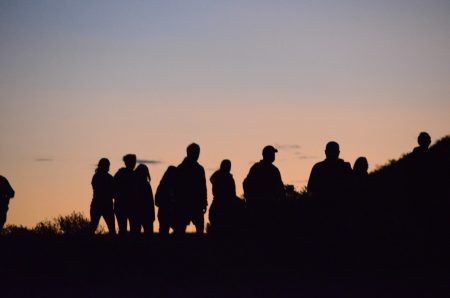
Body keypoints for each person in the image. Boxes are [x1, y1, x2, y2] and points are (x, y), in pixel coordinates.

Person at [243, 145, 286, 232]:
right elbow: (280, 189)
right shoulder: (273, 170)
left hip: (260, 207)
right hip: (267, 208)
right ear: (267, 155)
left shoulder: (256, 168)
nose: (274, 156)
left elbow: (246, 184)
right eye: (272, 153)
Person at [174, 143, 207, 234]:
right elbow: (176, 187)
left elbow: (203, 187)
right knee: (181, 228)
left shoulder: (183, 168)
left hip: (194, 203)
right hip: (185, 203)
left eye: (198, 152)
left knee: (198, 228)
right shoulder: (182, 169)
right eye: (196, 152)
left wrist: (204, 202)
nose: (198, 154)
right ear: (189, 153)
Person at [209, 160, 242, 234]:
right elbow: (230, 194)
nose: (229, 168)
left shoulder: (219, 177)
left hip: (220, 205)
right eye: (228, 166)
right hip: (224, 206)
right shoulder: (225, 178)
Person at [89, 158, 116, 235]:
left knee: (111, 228)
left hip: (102, 204)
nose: (108, 167)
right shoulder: (98, 177)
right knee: (94, 226)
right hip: (101, 204)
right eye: (107, 165)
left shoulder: (101, 177)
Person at [114, 154, 137, 236]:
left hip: (126, 206)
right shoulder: (134, 176)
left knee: (127, 230)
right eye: (133, 162)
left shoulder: (119, 174)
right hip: (125, 206)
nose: (134, 164)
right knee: (127, 230)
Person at [132, 164, 155, 236]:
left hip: (139, 212)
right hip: (143, 213)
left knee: (136, 234)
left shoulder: (136, 183)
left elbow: (151, 201)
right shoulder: (144, 184)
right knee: (148, 234)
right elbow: (150, 201)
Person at [155, 166, 177, 235]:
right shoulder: (163, 186)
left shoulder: (176, 187)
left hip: (172, 213)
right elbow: (157, 201)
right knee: (164, 233)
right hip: (164, 213)